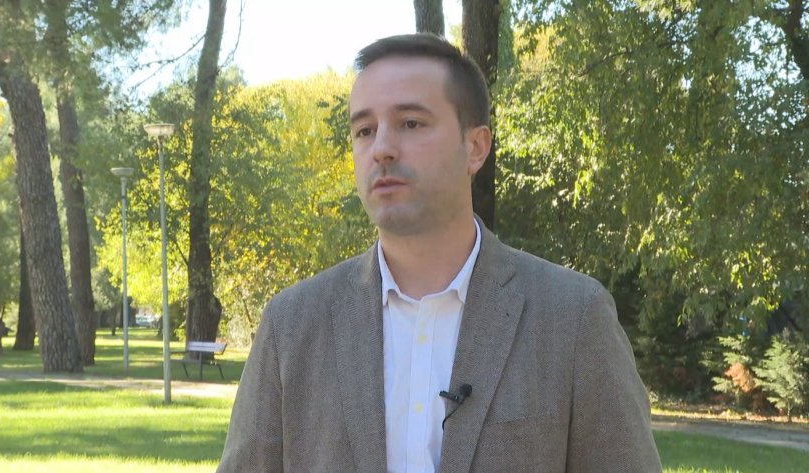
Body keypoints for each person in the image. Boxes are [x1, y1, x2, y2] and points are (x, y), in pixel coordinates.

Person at [217, 33, 662, 473]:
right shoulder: (291, 326)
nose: (382, 149)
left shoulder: (573, 318)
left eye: (411, 123)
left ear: (476, 148)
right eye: (365, 130)